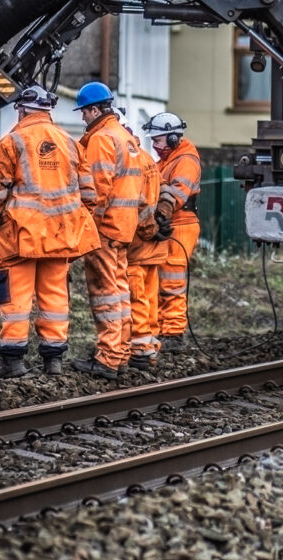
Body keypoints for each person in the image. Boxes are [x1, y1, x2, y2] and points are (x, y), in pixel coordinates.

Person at [0, 85, 99, 378]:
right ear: (47, 111)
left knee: (16, 300)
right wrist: (72, 223)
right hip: (60, 237)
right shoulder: (70, 143)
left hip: (19, 237)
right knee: (55, 297)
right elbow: (89, 194)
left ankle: (14, 361)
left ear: (21, 109)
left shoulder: (11, 142)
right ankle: (53, 361)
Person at [70, 82, 144, 380]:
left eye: (84, 112)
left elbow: (97, 188)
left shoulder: (101, 138)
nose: (83, 118)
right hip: (124, 226)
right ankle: (121, 352)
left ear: (95, 109)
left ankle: (108, 358)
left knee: (104, 292)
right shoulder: (125, 137)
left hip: (105, 227)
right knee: (120, 290)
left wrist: (86, 225)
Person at [142, 111, 202, 352]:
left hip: (182, 223)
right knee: (159, 278)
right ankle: (158, 329)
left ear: (173, 138)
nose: (154, 146)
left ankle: (174, 333)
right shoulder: (167, 159)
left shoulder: (185, 159)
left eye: (157, 140)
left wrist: (161, 213)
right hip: (171, 222)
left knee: (173, 280)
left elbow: (178, 192)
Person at [124, 124, 165, 371]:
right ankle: (149, 348)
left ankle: (139, 350)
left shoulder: (132, 161)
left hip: (138, 243)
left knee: (136, 297)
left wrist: (148, 229)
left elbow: (138, 204)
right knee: (149, 298)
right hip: (152, 244)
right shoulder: (148, 158)